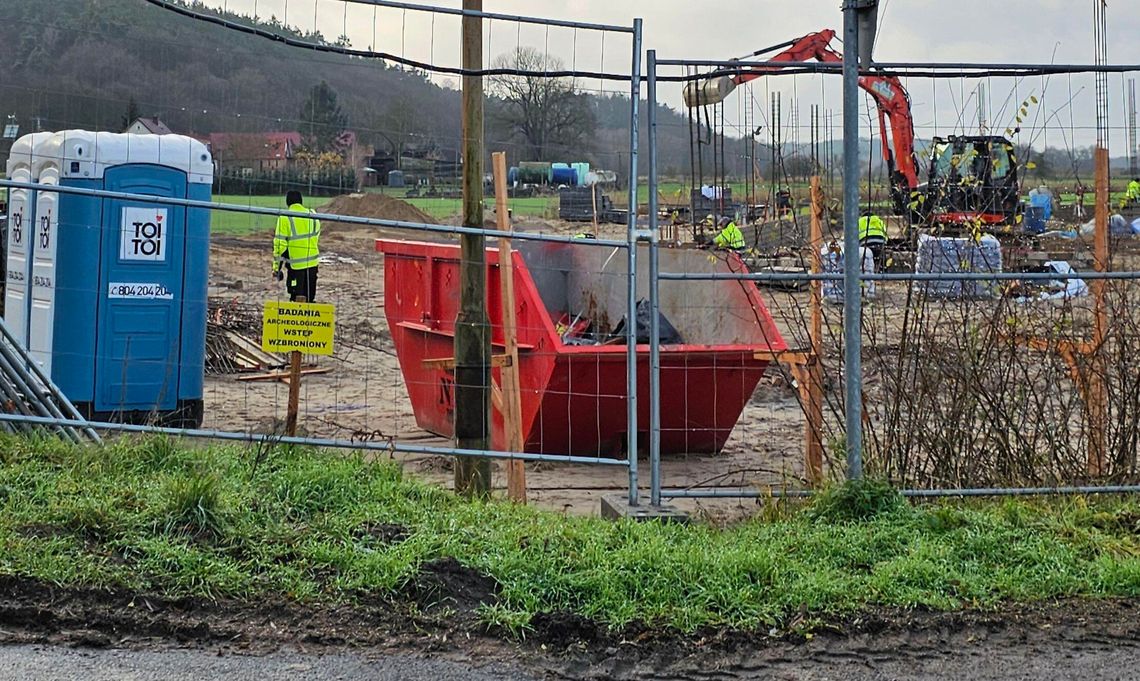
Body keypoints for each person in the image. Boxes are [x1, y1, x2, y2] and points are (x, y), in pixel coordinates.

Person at [273, 190, 321, 302]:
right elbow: (316, 236)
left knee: (296, 300)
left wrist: (276, 268)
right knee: (309, 298)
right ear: (301, 201)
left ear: (287, 203)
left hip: (295, 267)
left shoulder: (285, 217)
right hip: (313, 264)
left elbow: (280, 245)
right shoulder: (313, 215)